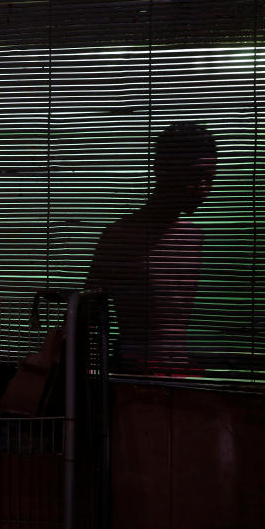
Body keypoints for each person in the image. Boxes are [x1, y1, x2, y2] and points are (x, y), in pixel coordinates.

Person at [86, 122, 217, 376]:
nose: (203, 189)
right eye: (194, 176)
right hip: (133, 378)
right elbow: (87, 319)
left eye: (209, 179)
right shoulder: (120, 238)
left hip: (179, 374)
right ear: (162, 169)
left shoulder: (194, 238)